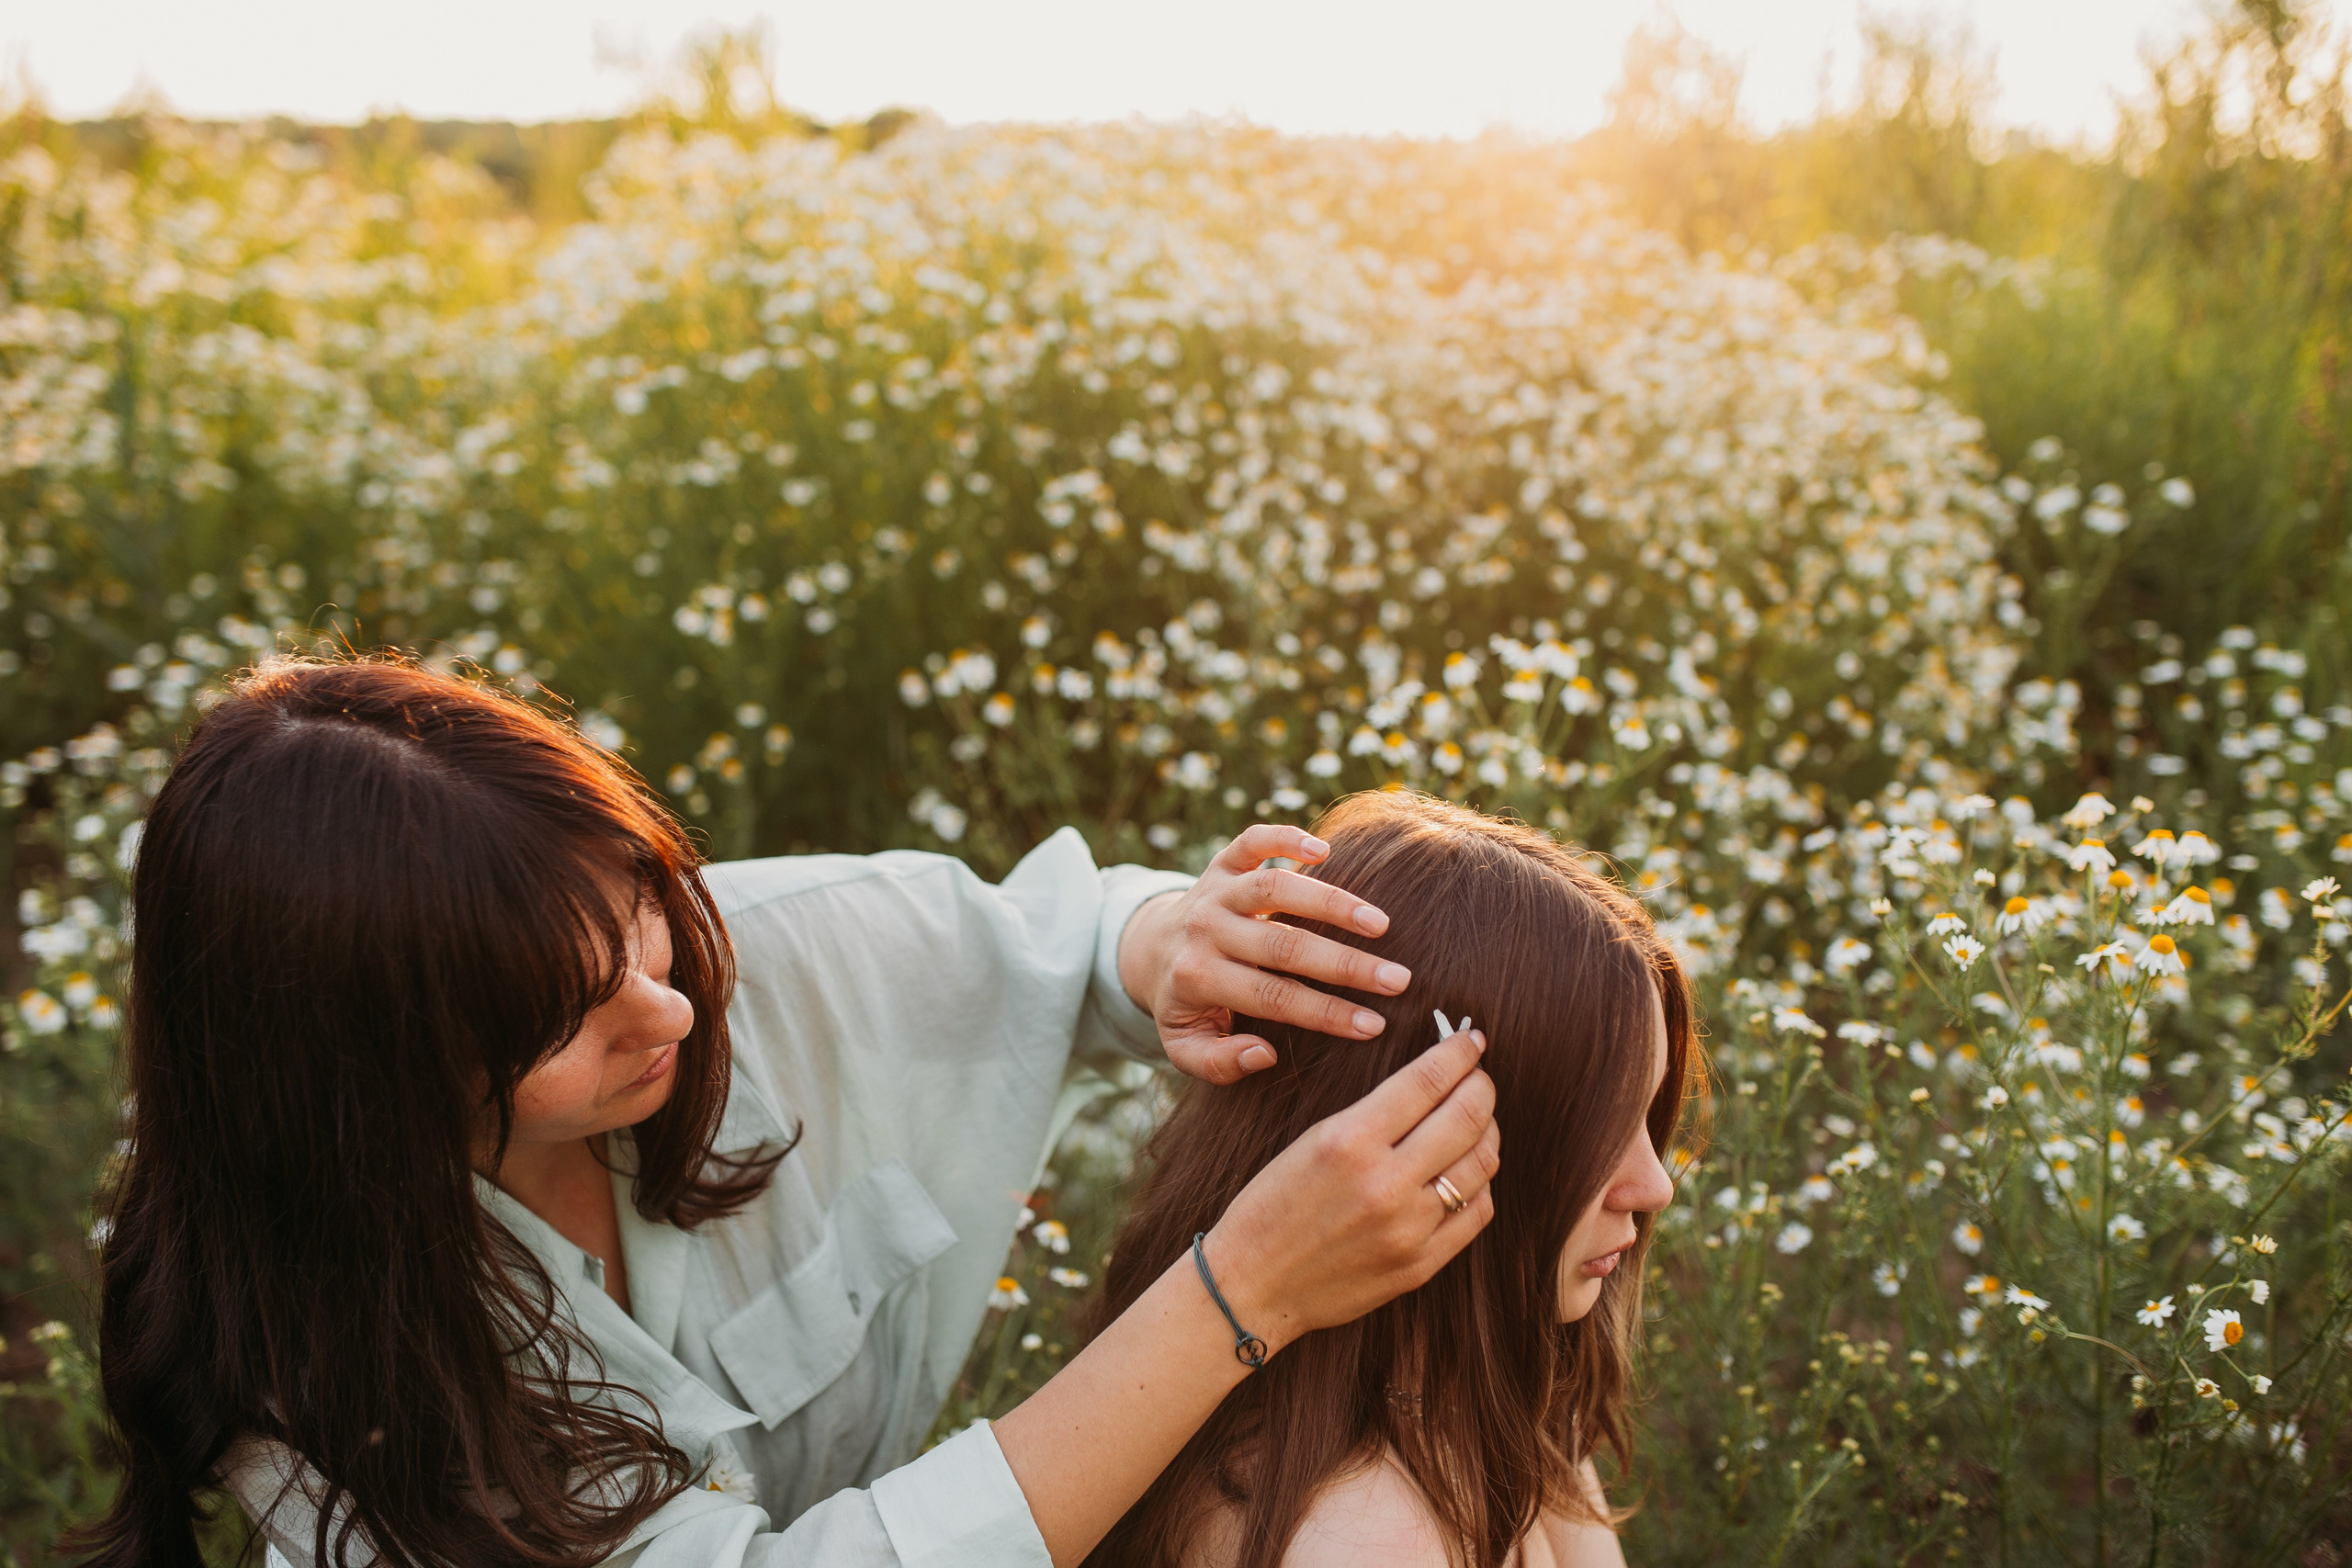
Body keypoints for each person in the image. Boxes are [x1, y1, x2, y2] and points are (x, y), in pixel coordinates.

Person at [74, 657, 1503, 1568]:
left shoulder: (752, 948)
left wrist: (1175, 941)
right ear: (357, 1083)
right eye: (560, 1018)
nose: (675, 1011)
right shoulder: (317, 1378)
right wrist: (1240, 1292)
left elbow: (1037, 944)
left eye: (636, 911)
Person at [1081, 791, 1695, 1568]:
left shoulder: (1473, 1401)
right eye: (1599, 1131)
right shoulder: (1367, 1540)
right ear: (1420, 1122)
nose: (1654, 1186)